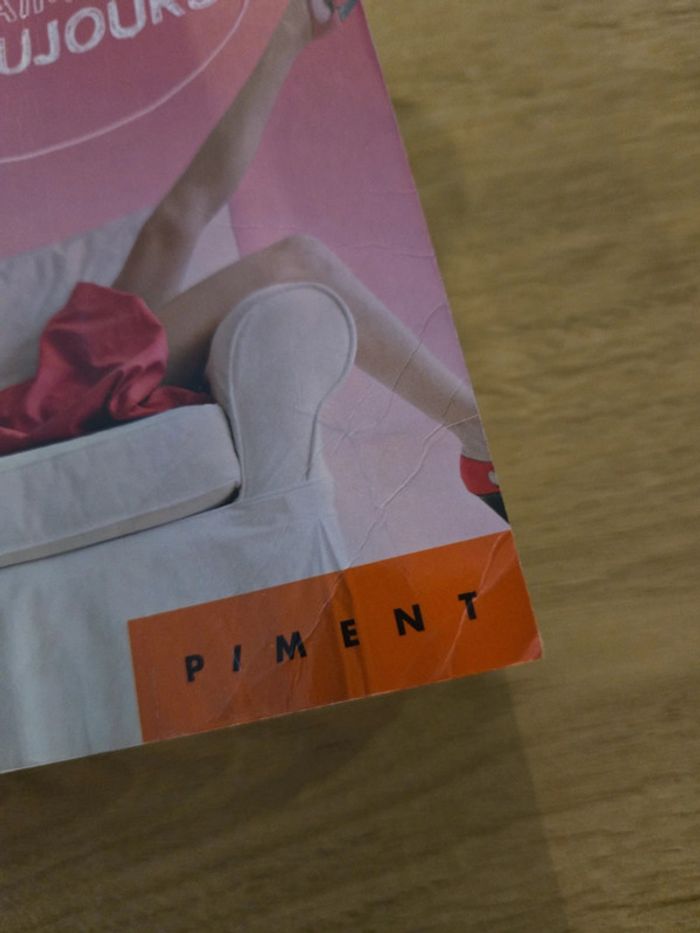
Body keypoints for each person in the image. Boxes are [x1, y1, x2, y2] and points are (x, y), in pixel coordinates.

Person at [0, 0, 506, 519]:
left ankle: (291, 29)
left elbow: (182, 215)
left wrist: (290, 34)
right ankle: (480, 433)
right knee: (295, 259)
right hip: (38, 423)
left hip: (50, 383)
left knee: (173, 225)